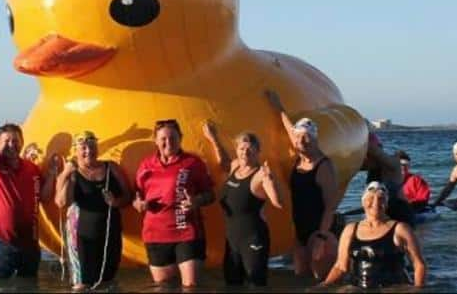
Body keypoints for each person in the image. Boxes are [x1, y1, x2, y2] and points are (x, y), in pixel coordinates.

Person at [0, 99, 59, 282]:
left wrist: (51, 174)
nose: (12, 144)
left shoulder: (32, 168)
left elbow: (44, 197)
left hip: (29, 242)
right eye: (7, 141)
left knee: (29, 287)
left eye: (15, 140)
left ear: (22, 143)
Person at [133, 119, 215, 287]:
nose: (168, 142)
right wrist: (139, 205)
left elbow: (210, 194)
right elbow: (136, 197)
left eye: (173, 138)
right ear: (155, 140)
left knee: (190, 286)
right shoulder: (146, 165)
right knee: (164, 287)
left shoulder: (193, 162)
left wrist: (196, 201)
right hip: (155, 234)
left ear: (181, 138)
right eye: (163, 138)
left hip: (187, 232)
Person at [265, 90, 338, 280]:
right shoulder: (299, 158)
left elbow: (331, 206)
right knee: (300, 278)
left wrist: (322, 238)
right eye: (298, 138)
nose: (300, 142)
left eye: (306, 138)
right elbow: (291, 130)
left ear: (314, 139)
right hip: (299, 230)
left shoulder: (323, 166)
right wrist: (278, 106)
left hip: (318, 231)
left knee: (319, 278)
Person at [202, 122, 284, 286]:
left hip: (253, 239)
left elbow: (278, 203)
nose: (245, 152)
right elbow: (224, 162)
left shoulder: (261, 174)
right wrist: (214, 139)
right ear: (237, 150)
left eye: (250, 149)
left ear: (257, 151)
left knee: (255, 283)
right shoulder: (235, 166)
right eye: (241, 148)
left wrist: (271, 180)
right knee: (232, 283)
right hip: (232, 240)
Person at [55, 130, 132, 291]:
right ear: (76, 150)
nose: (88, 151)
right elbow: (61, 202)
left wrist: (115, 202)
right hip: (81, 238)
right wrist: (66, 173)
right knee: (82, 285)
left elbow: (128, 196)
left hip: (109, 236)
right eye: (83, 148)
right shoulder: (73, 173)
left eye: (92, 147)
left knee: (107, 282)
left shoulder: (111, 168)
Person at [321, 181, 426, 288]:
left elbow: (419, 264)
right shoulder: (350, 230)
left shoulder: (400, 229)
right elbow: (340, 267)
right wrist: (324, 286)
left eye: (381, 199)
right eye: (370, 198)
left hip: (393, 289)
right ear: (363, 202)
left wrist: (417, 289)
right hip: (359, 288)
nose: (376, 203)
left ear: (387, 203)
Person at [362, 130, 414, 224]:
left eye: (367, 154)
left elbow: (376, 152)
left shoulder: (394, 162)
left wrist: (360, 136)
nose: (366, 157)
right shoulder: (370, 166)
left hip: (399, 212)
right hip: (378, 213)